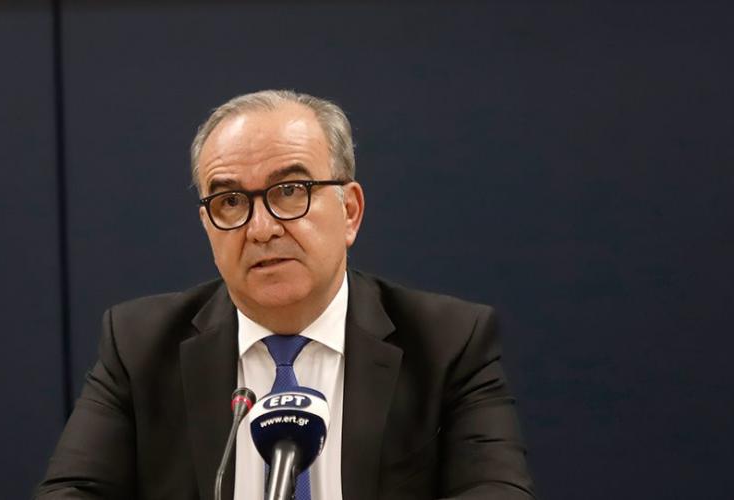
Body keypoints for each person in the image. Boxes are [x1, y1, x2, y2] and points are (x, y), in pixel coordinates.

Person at [36, 90, 535, 499]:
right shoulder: (139, 346)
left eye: (291, 191)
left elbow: (498, 492)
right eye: (230, 201)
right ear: (208, 225)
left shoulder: (447, 343)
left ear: (350, 211)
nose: (261, 228)